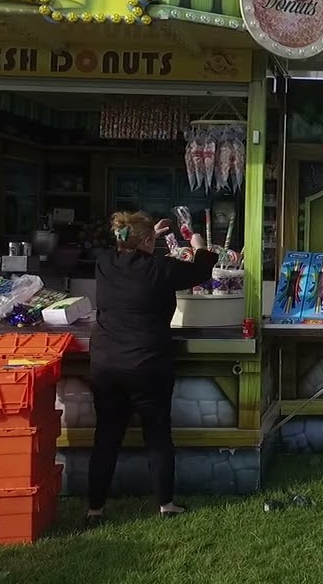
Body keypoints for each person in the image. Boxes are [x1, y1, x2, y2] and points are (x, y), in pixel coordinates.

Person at [84, 211, 217, 527]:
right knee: (157, 435)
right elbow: (200, 271)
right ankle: (166, 504)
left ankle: (95, 509)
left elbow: (127, 249)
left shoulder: (104, 263)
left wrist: (147, 236)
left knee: (106, 436)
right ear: (146, 242)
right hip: (148, 365)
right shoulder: (162, 268)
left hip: (106, 364)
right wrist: (199, 245)